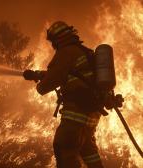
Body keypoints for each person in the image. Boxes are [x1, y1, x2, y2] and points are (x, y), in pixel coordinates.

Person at [24, 21, 104, 168]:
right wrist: (40, 74)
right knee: (87, 150)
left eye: (52, 41)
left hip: (76, 113)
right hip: (91, 114)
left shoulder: (66, 52)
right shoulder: (83, 51)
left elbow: (49, 83)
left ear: (57, 39)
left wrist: (40, 85)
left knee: (64, 147)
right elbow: (72, 74)